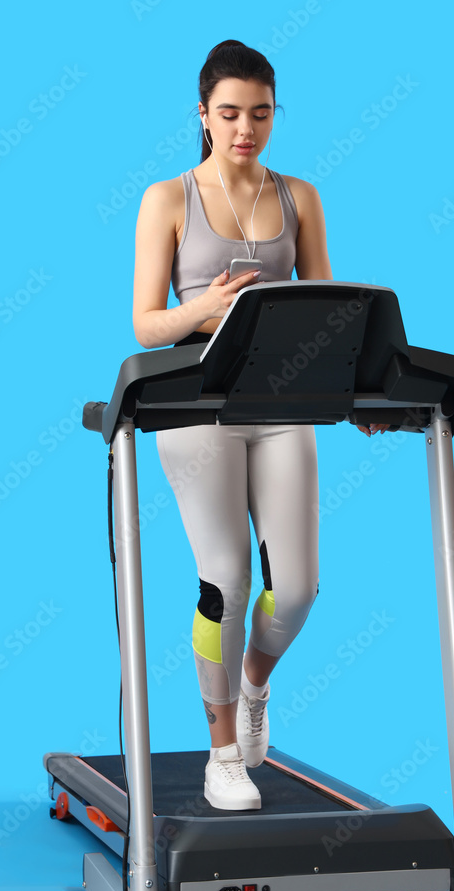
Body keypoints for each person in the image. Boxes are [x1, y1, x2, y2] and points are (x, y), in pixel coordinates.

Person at [132, 39, 387, 810]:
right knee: (227, 579)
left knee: (298, 589)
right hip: (197, 404)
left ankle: (251, 688)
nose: (245, 128)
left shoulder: (299, 196)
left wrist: (361, 393)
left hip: (283, 405)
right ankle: (219, 751)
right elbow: (146, 323)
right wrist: (205, 309)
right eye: (230, 114)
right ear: (202, 116)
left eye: (261, 114)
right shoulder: (168, 198)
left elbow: (330, 311)